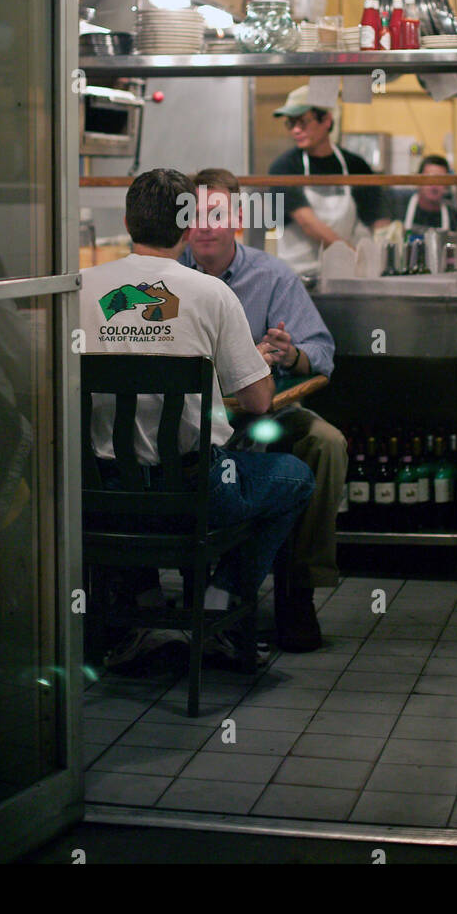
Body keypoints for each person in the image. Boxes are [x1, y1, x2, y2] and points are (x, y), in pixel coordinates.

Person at [77, 168, 314, 668]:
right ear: (186, 229)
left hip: (102, 496)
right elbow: (258, 403)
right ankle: (217, 603)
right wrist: (261, 362)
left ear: (126, 222)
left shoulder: (79, 288)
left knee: (133, 492)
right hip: (194, 494)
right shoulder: (210, 294)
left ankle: (139, 606)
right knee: (294, 476)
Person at [180, 167, 348, 651]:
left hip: (263, 418)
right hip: (190, 423)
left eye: (217, 214)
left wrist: (289, 352)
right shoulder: (169, 278)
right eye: (193, 215)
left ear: (237, 218)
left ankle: (298, 591)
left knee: (325, 442)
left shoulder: (271, 275)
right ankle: (188, 591)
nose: (205, 226)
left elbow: (320, 351)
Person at [268, 85, 392, 277]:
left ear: (326, 120)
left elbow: (377, 219)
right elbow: (308, 223)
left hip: (345, 276)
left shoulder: (355, 166)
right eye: (291, 124)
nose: (296, 130)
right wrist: (353, 256)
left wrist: (383, 255)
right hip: (300, 278)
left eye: (302, 122)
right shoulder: (284, 168)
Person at [400, 154, 457, 234]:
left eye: (439, 180)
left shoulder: (455, 218)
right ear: (418, 181)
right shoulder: (398, 209)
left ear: (446, 185)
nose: (434, 186)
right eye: (429, 179)